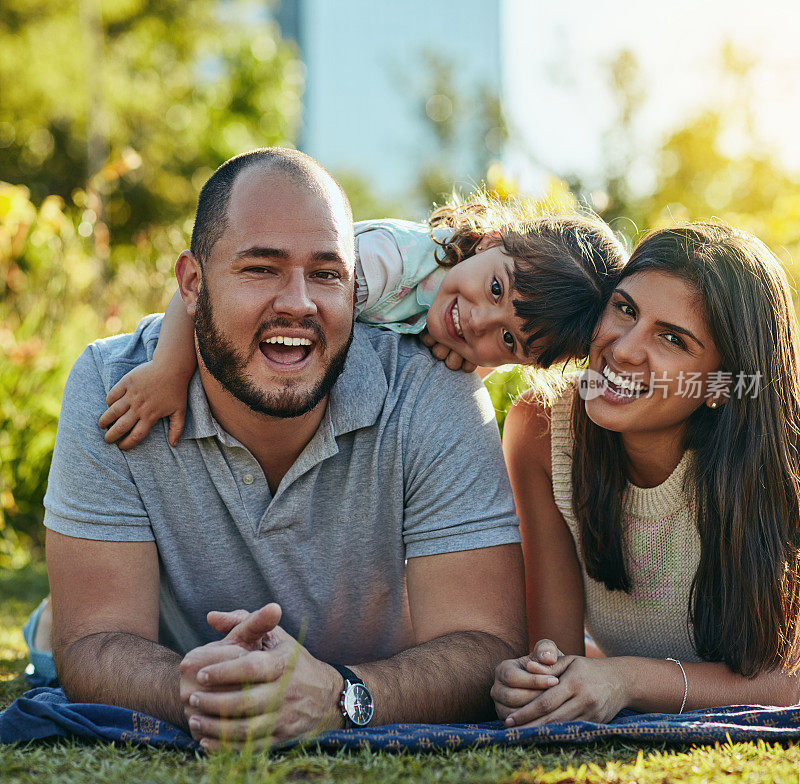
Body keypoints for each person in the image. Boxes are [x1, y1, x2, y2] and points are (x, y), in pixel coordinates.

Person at [41, 147, 528, 749]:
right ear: (192, 285)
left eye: (325, 274)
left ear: (354, 285)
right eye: (261, 269)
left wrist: (339, 696)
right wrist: (212, 694)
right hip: (158, 645)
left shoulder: (432, 391)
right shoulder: (115, 385)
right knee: (54, 634)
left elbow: (486, 645)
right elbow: (92, 643)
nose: (298, 303)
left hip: (357, 672)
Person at [492, 222, 800, 727]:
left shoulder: (783, 468)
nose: (625, 349)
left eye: (673, 340)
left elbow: (790, 678)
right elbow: (554, 653)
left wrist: (626, 679)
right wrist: (538, 681)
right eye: (625, 308)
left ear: (720, 385)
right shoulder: (544, 429)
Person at [92, 191, 624, 450]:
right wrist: (167, 369)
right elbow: (209, 291)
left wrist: (463, 361)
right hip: (234, 337)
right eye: (494, 288)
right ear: (490, 241)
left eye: (508, 339)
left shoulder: (465, 331)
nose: (479, 321)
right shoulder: (388, 261)